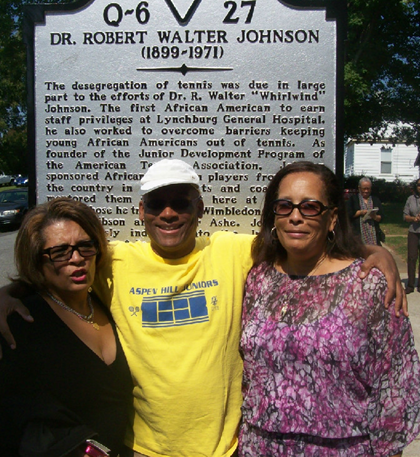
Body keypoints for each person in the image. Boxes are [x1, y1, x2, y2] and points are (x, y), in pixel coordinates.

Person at [0, 160, 407, 457]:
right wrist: (7, 293)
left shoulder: (233, 252)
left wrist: (373, 251)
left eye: (181, 201)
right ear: (141, 212)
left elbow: (301, 239)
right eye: (157, 203)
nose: (169, 212)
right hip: (144, 449)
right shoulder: (113, 260)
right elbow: (57, 262)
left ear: (200, 208)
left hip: (229, 449)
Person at [239, 162, 420, 457]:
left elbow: (395, 388)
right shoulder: (258, 279)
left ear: (332, 218)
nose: (295, 217)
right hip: (260, 447)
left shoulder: (369, 285)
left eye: (310, 207)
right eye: (284, 206)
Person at [0, 198, 133, 457]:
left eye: (86, 246)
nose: (77, 259)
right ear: (37, 260)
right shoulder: (20, 323)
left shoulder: (109, 303)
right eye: (60, 252)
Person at [347, 177, 384, 245]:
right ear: (359, 188)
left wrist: (374, 216)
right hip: (358, 235)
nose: (366, 191)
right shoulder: (353, 199)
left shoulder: (375, 200)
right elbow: (348, 215)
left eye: (368, 189)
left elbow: (381, 217)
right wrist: (360, 212)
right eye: (364, 189)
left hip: (373, 235)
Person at [403, 178, 420, 294]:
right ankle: (410, 284)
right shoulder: (410, 199)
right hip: (413, 231)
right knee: (412, 258)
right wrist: (414, 218)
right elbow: (405, 216)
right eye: (418, 185)